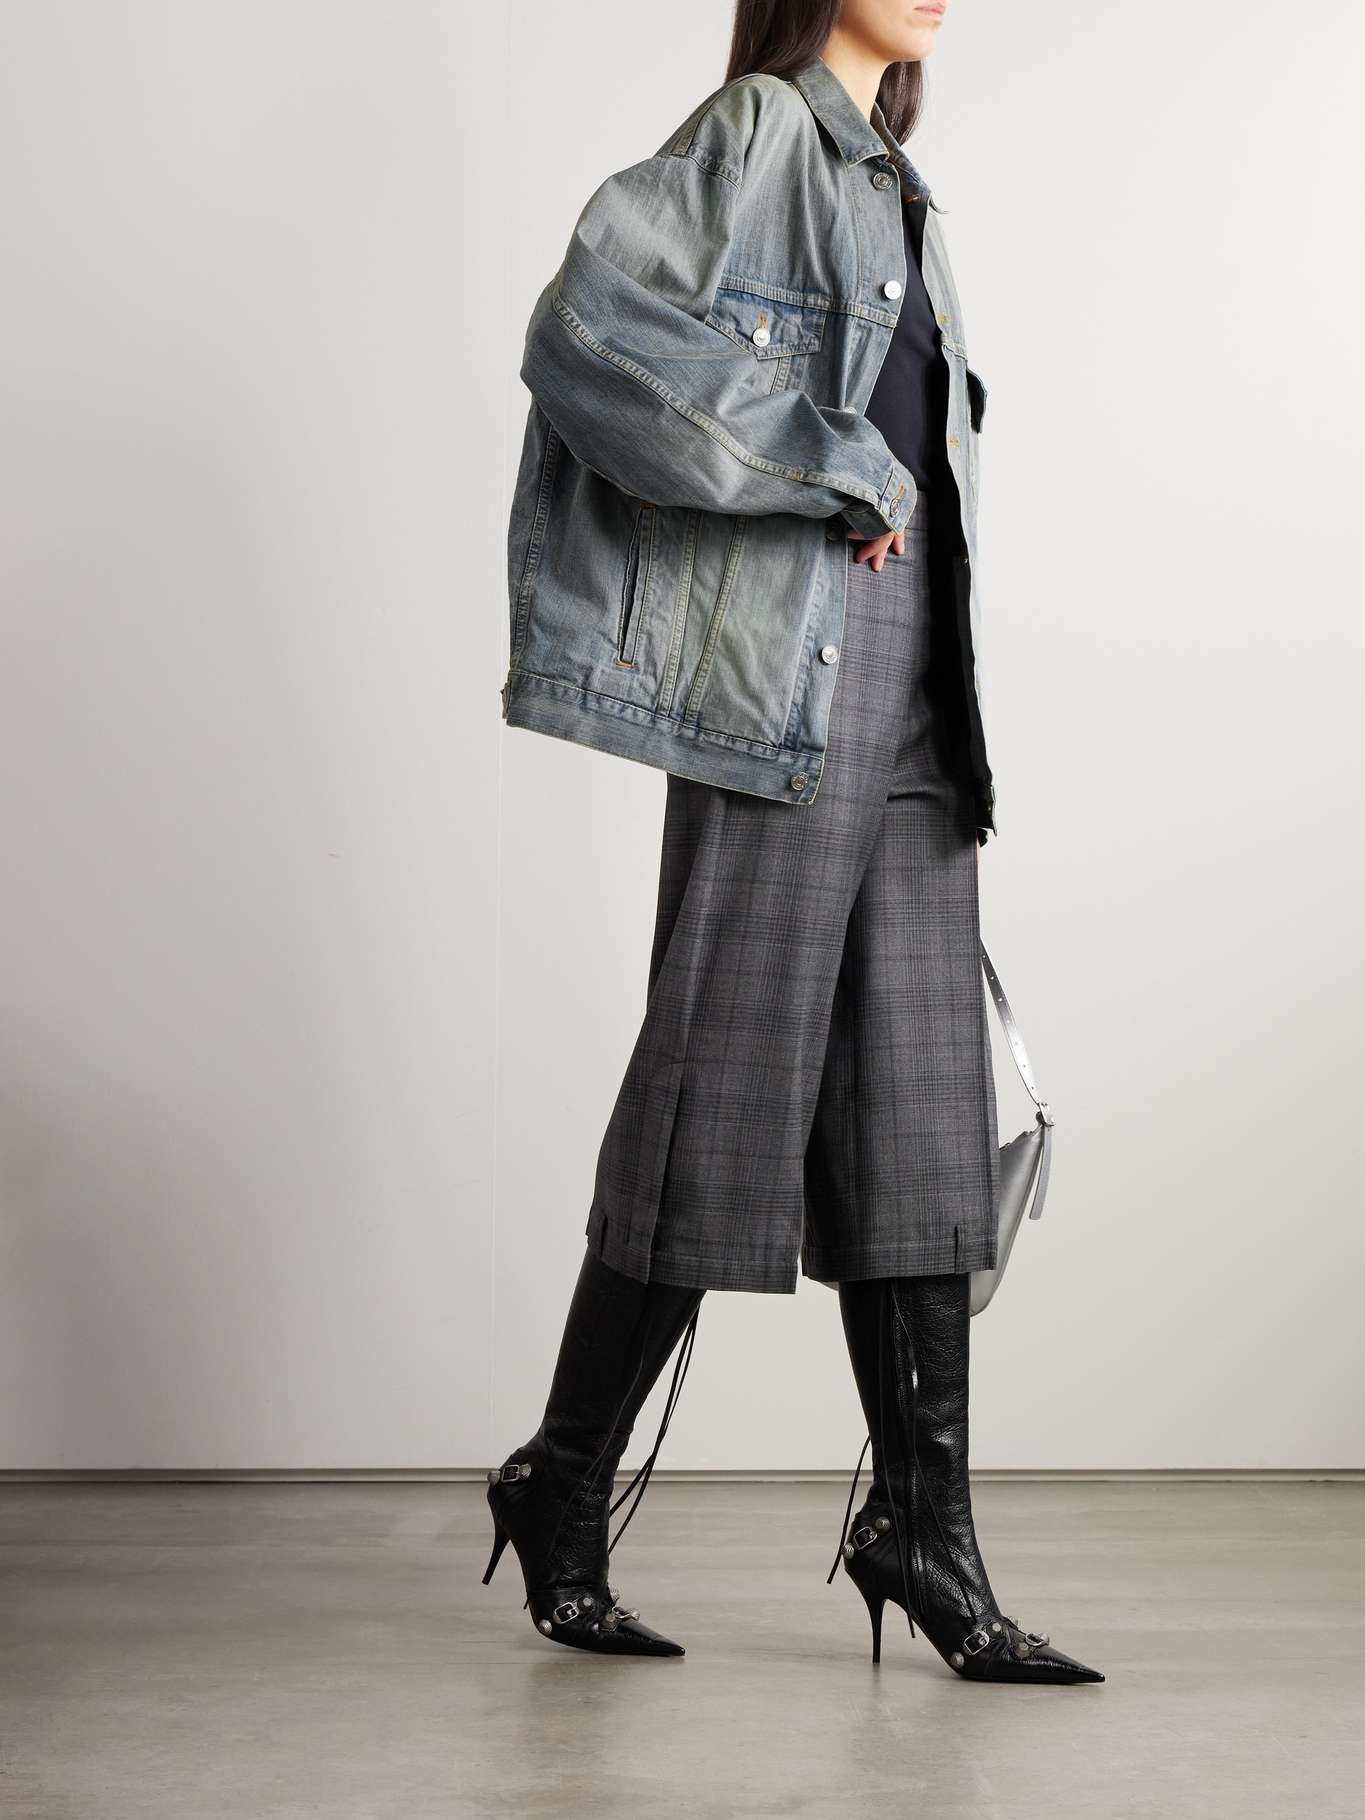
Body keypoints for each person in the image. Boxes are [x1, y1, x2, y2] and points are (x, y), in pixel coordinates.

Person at [484, 0, 1104, 1685]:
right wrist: (829, 465)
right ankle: (563, 1478)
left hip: (917, 688)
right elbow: (589, 329)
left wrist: (872, 491)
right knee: (722, 1075)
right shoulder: (760, 130)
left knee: (919, 1107)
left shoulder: (897, 184)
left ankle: (924, 1537)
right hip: (793, 674)